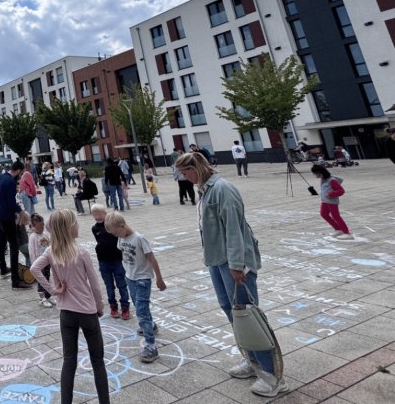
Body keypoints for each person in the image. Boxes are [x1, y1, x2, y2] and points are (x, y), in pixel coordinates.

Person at [174, 152, 287, 397]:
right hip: (216, 259)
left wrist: (237, 265)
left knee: (247, 313)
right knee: (231, 311)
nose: (185, 178)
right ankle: (252, 360)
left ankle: (272, 376)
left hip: (233, 262)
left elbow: (234, 228)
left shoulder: (222, 189)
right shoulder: (205, 190)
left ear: (196, 167)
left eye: (186, 173)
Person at [29, 209, 110, 404]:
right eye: (75, 222)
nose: (78, 225)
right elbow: (94, 284)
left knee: (69, 361)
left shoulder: (51, 251)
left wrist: (53, 290)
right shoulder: (81, 252)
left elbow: (34, 268)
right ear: (69, 228)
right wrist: (99, 306)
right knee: (98, 360)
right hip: (87, 312)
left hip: (66, 313)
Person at [105, 211, 166, 363]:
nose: (115, 236)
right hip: (130, 278)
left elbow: (152, 258)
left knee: (141, 311)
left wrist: (159, 278)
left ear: (122, 226)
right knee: (140, 307)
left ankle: (151, 346)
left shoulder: (139, 239)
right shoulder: (121, 238)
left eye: (116, 232)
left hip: (143, 280)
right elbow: (124, 256)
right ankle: (150, 326)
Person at [0, 161, 31, 289]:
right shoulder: (10, 182)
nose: (20, 176)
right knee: (14, 246)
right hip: (7, 217)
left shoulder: (0, 177)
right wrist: (21, 212)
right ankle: (15, 280)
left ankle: (3, 268)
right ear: (19, 170)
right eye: (21, 173)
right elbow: (11, 202)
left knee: (2, 242)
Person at [90, 204, 130, 320]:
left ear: (105, 213)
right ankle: (113, 306)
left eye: (100, 214)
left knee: (122, 284)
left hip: (117, 260)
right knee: (109, 286)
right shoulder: (95, 228)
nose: (98, 217)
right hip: (103, 261)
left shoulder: (113, 225)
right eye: (95, 215)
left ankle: (125, 307)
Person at [311, 165, 352, 240]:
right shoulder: (323, 179)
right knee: (324, 214)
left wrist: (331, 194)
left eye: (316, 173)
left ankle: (347, 233)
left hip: (332, 201)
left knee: (336, 216)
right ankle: (338, 229)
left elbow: (341, 191)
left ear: (321, 172)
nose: (316, 175)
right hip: (325, 201)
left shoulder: (332, 180)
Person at [28, 213, 54, 308]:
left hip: (47, 262)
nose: (41, 228)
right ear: (33, 227)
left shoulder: (45, 235)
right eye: (39, 227)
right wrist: (34, 262)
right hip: (38, 263)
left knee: (47, 278)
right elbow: (32, 251)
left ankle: (48, 296)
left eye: (42, 226)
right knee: (40, 280)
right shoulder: (33, 237)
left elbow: (50, 247)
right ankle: (42, 298)